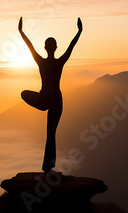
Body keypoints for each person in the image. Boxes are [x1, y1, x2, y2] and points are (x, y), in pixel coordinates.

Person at [18, 16, 83, 173]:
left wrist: (21, 31)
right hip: (56, 101)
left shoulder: (41, 61)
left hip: (44, 99)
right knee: (51, 134)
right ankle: (48, 166)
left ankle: (48, 167)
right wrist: (79, 31)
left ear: (46, 47)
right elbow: (71, 46)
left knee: (24, 93)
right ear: (55, 47)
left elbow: (29, 46)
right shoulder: (59, 62)